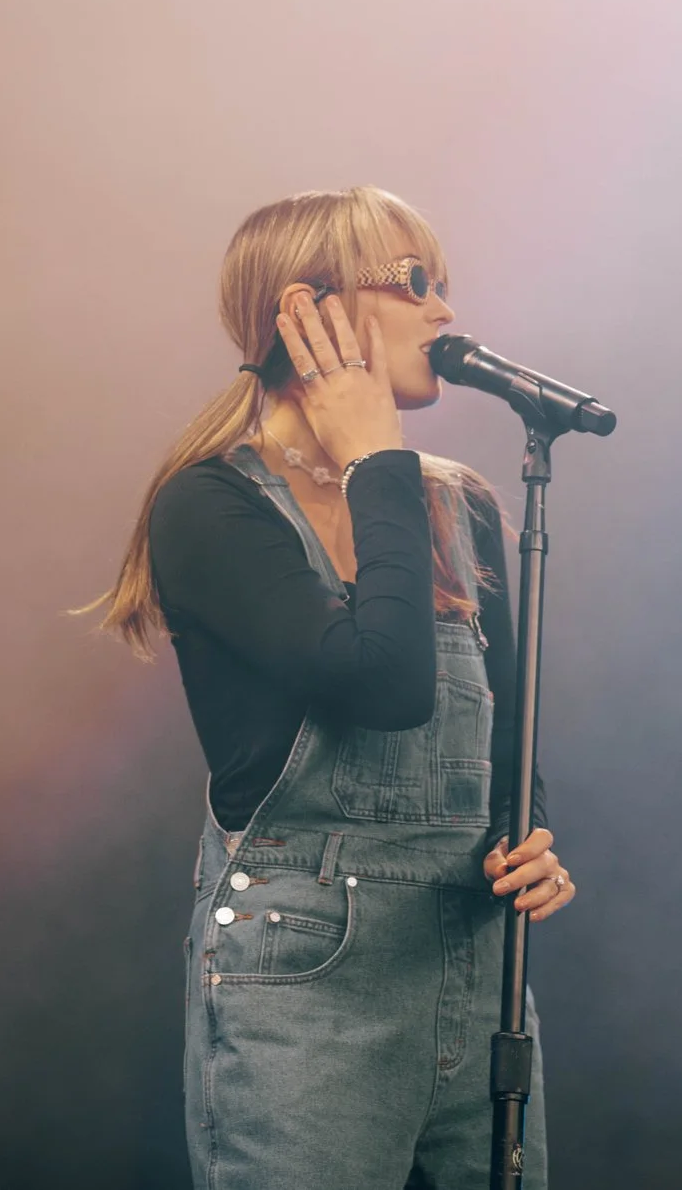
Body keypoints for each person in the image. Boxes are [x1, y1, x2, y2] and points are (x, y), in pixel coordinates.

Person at [82, 186, 577, 1190]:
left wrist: (525, 836)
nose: (444, 308)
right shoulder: (212, 504)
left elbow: (502, 740)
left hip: (478, 978)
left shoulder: (460, 505)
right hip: (309, 990)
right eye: (413, 281)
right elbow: (383, 683)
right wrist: (375, 457)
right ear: (305, 309)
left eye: (443, 283)